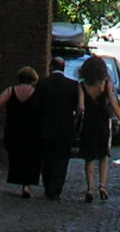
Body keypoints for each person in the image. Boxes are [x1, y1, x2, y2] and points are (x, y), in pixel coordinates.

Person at [0, 67, 43, 197]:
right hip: (33, 132)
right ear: (33, 79)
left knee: (17, 156)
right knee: (30, 158)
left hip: (14, 130)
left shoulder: (11, 90)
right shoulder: (37, 92)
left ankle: (20, 179)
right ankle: (27, 186)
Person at [31, 62, 82, 202]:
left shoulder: (42, 84)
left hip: (46, 127)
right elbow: (78, 108)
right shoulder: (72, 85)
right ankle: (57, 188)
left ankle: (48, 187)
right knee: (62, 160)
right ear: (63, 68)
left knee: (47, 159)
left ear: (51, 67)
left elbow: (35, 106)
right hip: (65, 128)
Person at [75, 53, 120, 202]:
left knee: (89, 157)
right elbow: (113, 104)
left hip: (89, 123)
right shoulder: (106, 84)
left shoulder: (82, 85)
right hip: (102, 122)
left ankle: (90, 188)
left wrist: (77, 119)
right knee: (103, 155)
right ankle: (102, 186)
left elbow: (81, 107)